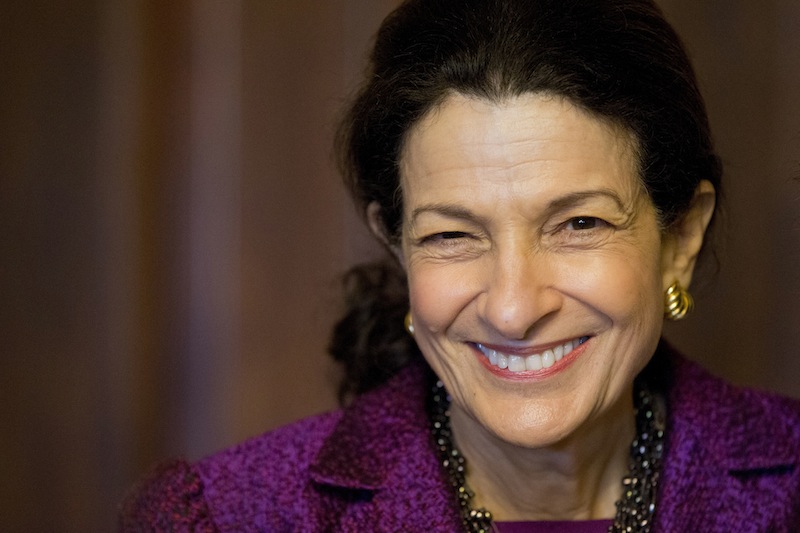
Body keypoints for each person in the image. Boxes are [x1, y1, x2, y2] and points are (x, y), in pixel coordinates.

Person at [120, 0, 800, 531]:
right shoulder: (222, 517)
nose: (513, 306)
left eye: (579, 224)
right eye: (452, 235)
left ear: (679, 238)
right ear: (396, 244)